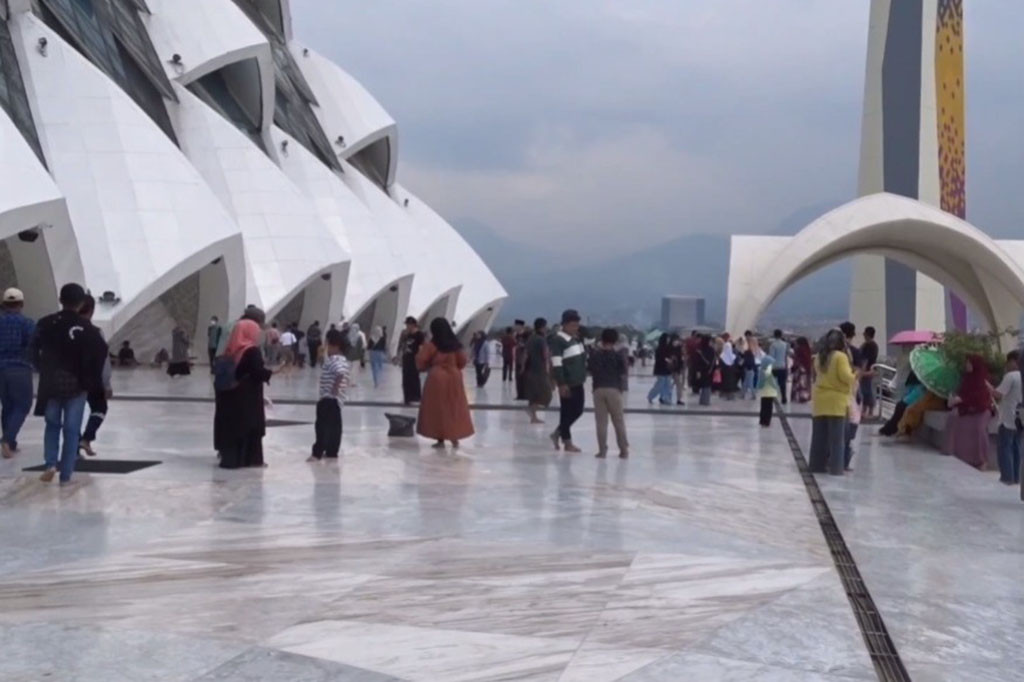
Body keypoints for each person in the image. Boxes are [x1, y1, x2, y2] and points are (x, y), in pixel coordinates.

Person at [32, 283, 107, 485]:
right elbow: (100, 354)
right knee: (72, 428)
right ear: (81, 302)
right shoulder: (88, 330)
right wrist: (90, 380)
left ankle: (49, 463)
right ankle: (66, 474)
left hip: (51, 383)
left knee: (52, 425)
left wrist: (41, 367)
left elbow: (32, 348)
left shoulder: (46, 323)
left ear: (61, 300)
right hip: (77, 386)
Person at [218, 319, 273, 469]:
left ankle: (232, 459)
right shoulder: (252, 350)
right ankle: (251, 459)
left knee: (236, 427)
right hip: (249, 395)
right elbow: (257, 372)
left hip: (233, 393)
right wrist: (270, 373)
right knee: (251, 426)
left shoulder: (231, 349)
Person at [416, 318, 474, 448]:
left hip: (436, 379)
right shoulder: (456, 345)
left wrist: (427, 367)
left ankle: (440, 438)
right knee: (454, 407)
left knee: (437, 408)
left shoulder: (432, 345)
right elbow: (463, 361)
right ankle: (455, 436)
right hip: (454, 378)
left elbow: (421, 360)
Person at [808, 329, 856, 476]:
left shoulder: (819, 357)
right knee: (837, 440)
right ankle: (836, 468)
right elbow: (845, 377)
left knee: (819, 438)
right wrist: (856, 375)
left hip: (820, 400)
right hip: (836, 402)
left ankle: (816, 466)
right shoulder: (840, 357)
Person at [0, 288, 35, 459]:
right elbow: (34, 345)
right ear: (21, 304)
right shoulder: (27, 323)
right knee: (22, 405)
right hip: (20, 368)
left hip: (1, 368)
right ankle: (7, 439)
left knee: (7, 406)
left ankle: (11, 444)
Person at [77, 295, 113, 457]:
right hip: (93, 378)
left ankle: (74, 445)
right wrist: (106, 384)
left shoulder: (66, 331)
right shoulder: (96, 332)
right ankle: (86, 438)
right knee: (100, 408)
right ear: (91, 311)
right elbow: (104, 359)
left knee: (73, 412)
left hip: (70, 378)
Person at [308, 329, 350, 462]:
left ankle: (317, 453)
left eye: (328, 345)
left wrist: (334, 389)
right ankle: (332, 451)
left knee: (322, 426)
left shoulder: (334, 359)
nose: (327, 348)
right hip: (337, 400)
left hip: (328, 398)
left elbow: (340, 372)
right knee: (335, 427)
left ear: (335, 346)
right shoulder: (342, 359)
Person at [946, 354, 993, 470]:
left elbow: (981, 398)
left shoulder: (982, 379)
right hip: (967, 408)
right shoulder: (967, 378)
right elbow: (963, 393)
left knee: (980, 429)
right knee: (953, 418)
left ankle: (983, 460)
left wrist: (962, 400)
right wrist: (955, 400)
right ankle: (957, 454)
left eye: (969, 363)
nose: (966, 365)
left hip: (982, 409)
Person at [550, 309, 587, 452]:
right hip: (568, 382)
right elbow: (557, 363)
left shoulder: (576, 339)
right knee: (569, 411)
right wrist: (561, 383)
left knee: (577, 410)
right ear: (564, 324)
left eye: (577, 325)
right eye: (572, 325)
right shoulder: (558, 340)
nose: (575, 328)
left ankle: (559, 434)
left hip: (578, 381)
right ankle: (566, 441)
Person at [589, 328, 629, 458]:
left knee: (601, 422)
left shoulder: (595, 354)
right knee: (618, 421)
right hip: (614, 389)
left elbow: (590, 369)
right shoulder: (618, 355)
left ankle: (602, 450)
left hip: (598, 389)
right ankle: (623, 449)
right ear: (615, 340)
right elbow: (623, 370)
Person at [992, 351, 1022, 485]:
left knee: (1005, 447)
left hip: (1008, 417)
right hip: (1020, 418)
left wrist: (988, 387)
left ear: (1014, 361)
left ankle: (1007, 477)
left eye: (1008, 362)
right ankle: (1016, 477)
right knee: (1017, 447)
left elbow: (998, 394)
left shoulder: (1011, 376)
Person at [523, 317, 552, 424]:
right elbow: (545, 355)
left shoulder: (531, 338)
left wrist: (522, 367)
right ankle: (532, 413)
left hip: (530, 369)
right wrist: (547, 368)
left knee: (533, 395)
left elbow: (525, 354)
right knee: (546, 393)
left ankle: (533, 416)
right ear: (542, 327)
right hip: (540, 370)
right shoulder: (541, 339)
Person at [397, 317, 424, 405]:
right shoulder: (407, 335)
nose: (407, 327)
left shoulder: (419, 335)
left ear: (413, 325)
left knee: (414, 378)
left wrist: (420, 359)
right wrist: (400, 358)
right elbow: (404, 346)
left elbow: (421, 348)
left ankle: (416, 398)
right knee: (406, 378)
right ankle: (407, 397)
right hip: (406, 359)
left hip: (414, 360)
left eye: (408, 325)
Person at [647, 334, 674, 405]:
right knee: (660, 384)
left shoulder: (669, 348)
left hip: (667, 369)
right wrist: (666, 360)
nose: (668, 340)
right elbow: (659, 358)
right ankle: (651, 396)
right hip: (660, 369)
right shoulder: (659, 349)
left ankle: (665, 398)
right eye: (667, 339)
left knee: (667, 384)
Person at [860, 326, 880, 420]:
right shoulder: (873, 345)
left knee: (867, 391)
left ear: (867, 334)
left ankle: (869, 411)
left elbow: (866, 359)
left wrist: (862, 372)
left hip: (868, 371)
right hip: (870, 370)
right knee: (866, 390)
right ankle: (866, 410)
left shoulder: (869, 345)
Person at [768, 329, 791, 405]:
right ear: (781, 335)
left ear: (774, 335)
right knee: (782, 383)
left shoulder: (773, 345)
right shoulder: (785, 344)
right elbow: (786, 355)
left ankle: (771, 398)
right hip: (782, 366)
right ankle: (784, 398)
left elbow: (772, 357)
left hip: (774, 367)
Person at [693, 335, 716, 406]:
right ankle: (706, 401)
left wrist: (697, 371)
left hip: (702, 370)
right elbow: (712, 361)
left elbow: (697, 362)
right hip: (709, 370)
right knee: (707, 386)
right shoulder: (711, 350)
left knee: (704, 385)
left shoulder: (700, 349)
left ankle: (703, 400)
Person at [758, 356, 779, 427]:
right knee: (769, 407)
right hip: (770, 392)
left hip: (764, 392)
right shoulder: (768, 371)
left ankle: (762, 420)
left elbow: (760, 382)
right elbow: (772, 383)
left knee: (763, 406)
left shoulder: (762, 370)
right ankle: (767, 421)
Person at [790, 337, 813, 403]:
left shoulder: (798, 349)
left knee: (799, 384)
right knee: (805, 383)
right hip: (806, 369)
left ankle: (799, 397)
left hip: (799, 369)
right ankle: (806, 396)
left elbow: (797, 359)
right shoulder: (808, 349)